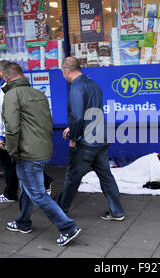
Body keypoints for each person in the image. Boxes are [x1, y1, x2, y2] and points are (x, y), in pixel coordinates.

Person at [2, 62, 81, 246]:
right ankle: (23, 222)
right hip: (43, 150)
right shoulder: (38, 94)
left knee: (37, 194)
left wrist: (11, 151)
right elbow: (47, 123)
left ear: (6, 78)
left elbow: (12, 129)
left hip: (28, 153)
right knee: (27, 189)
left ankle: (68, 228)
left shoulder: (12, 95)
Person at [57, 57, 125, 221]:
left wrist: (73, 136)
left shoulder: (76, 87)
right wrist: (72, 127)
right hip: (100, 139)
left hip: (86, 142)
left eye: (62, 72)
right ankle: (117, 211)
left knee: (72, 177)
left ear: (67, 70)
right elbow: (92, 112)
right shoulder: (94, 85)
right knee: (106, 176)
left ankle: (59, 210)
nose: (63, 75)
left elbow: (79, 116)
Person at [0, 60, 56, 203]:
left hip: (15, 140)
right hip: (37, 142)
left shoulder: (7, 92)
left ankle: (11, 194)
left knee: (15, 169)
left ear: (4, 74)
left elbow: (7, 120)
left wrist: (4, 140)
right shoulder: (35, 93)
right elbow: (46, 120)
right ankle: (23, 218)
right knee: (27, 178)